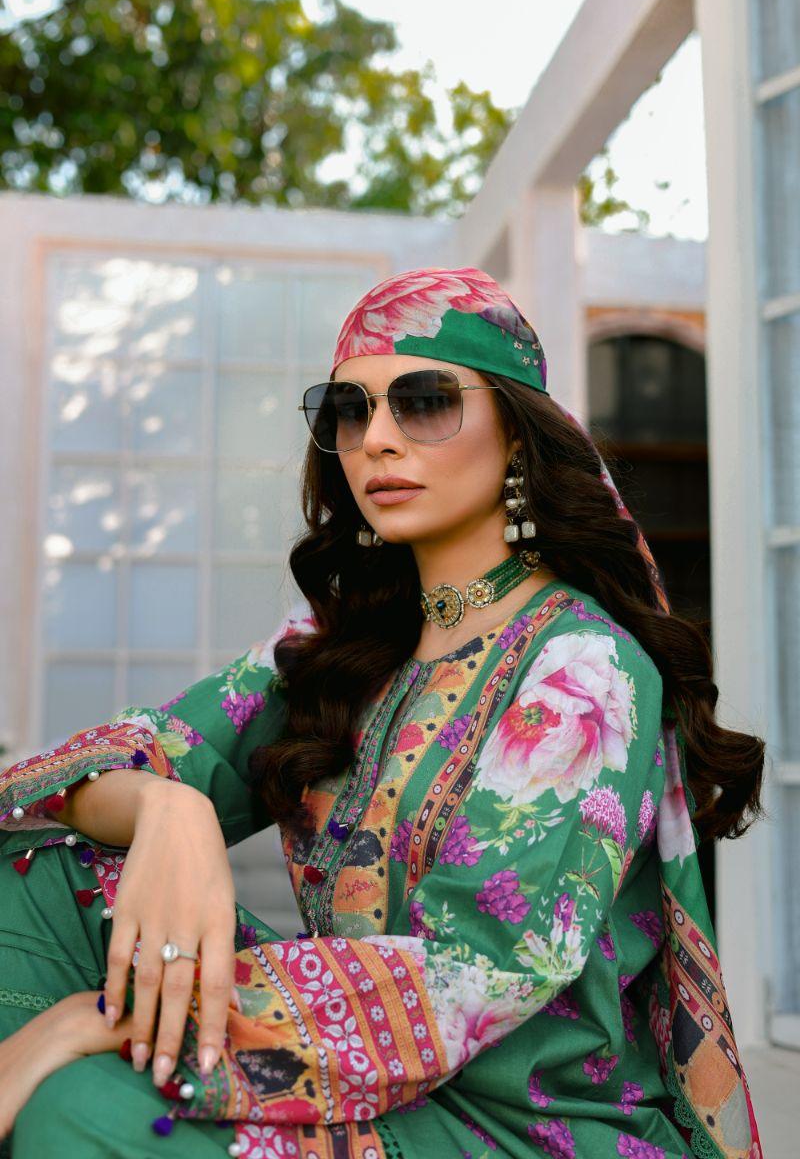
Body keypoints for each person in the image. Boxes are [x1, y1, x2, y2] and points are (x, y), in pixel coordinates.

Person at [0, 266, 764, 1159]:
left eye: (425, 402)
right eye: (350, 411)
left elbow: (476, 970)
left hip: (520, 1125)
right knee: (36, 872)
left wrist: (90, 1021)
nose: (377, 440)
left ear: (518, 435)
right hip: (353, 1073)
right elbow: (121, 757)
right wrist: (168, 808)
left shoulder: (583, 669)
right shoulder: (341, 648)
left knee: (79, 1106)